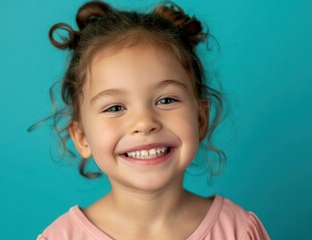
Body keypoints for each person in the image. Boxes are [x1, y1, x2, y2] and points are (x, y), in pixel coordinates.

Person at [36, 1, 270, 239]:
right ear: (82, 136)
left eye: (166, 100)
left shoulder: (240, 231)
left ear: (200, 118)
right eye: (115, 107)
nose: (144, 122)